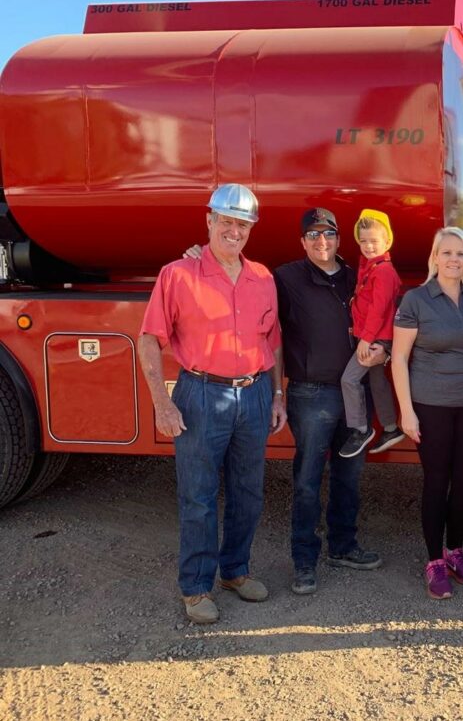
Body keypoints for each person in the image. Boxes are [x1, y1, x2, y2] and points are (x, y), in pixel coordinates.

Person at [138, 184, 287, 625]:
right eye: (227, 221)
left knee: (248, 492)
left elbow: (272, 343)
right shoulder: (178, 275)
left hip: (256, 393)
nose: (235, 231)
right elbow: (149, 341)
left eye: (243, 224)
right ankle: (197, 587)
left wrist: (277, 395)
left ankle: (235, 572)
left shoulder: (263, 277)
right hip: (201, 394)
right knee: (199, 497)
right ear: (209, 220)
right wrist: (162, 404)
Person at [275, 208, 386, 595]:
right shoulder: (286, 278)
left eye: (329, 234)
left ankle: (343, 546)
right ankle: (304, 561)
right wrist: (194, 257)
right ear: (303, 241)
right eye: (313, 235)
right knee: (306, 480)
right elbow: (267, 329)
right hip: (311, 393)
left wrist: (384, 351)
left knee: (349, 477)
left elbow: (383, 319)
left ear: (340, 239)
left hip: (355, 392)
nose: (322, 242)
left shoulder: (359, 276)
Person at [391, 227, 463, 600]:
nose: (453, 260)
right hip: (430, 406)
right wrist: (407, 412)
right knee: (437, 482)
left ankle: (455, 550)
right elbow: (399, 358)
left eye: (460, 254)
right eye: (446, 253)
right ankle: (434, 560)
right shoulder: (415, 299)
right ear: (434, 258)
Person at [338, 209, 404, 458]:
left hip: (374, 337)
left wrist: (365, 339)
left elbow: (379, 309)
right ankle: (390, 428)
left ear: (387, 242)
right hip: (373, 335)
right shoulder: (370, 268)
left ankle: (360, 429)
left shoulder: (383, 272)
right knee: (377, 382)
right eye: (363, 240)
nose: (368, 246)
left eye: (374, 241)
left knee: (349, 379)